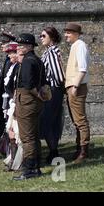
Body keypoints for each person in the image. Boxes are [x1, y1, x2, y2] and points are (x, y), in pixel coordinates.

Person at [13, 33, 46, 180]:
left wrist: (37, 94)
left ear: (30, 46)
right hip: (34, 102)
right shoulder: (37, 60)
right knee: (34, 136)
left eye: (22, 45)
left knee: (27, 138)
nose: (19, 48)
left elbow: (28, 84)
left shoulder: (27, 61)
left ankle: (30, 169)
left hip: (27, 100)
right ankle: (36, 167)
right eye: (18, 45)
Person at [64, 22, 91, 164]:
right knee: (77, 120)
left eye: (68, 33)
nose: (66, 35)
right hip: (73, 86)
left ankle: (84, 151)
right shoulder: (76, 46)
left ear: (76, 34)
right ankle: (79, 148)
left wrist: (75, 86)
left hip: (77, 87)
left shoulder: (80, 45)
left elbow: (82, 68)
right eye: (66, 32)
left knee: (80, 120)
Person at [39, 27, 65, 164]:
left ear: (52, 37)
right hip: (51, 90)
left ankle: (54, 152)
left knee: (48, 121)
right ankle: (53, 151)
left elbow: (58, 75)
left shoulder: (52, 52)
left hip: (53, 90)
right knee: (49, 121)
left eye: (43, 35)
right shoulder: (49, 51)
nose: (41, 38)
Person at [2, 43, 23, 171]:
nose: (9, 55)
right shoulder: (13, 66)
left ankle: (20, 163)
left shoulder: (20, 67)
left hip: (17, 102)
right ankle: (13, 160)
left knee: (18, 133)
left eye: (12, 53)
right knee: (11, 132)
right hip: (11, 102)